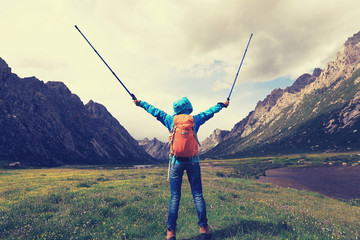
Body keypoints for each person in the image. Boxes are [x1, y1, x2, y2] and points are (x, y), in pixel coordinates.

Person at [134, 97, 229, 240]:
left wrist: (140, 103)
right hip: (193, 161)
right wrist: (222, 105)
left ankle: (171, 233)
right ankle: (204, 230)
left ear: (176, 109)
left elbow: (155, 111)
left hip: (175, 162)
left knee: (175, 197)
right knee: (197, 195)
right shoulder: (194, 120)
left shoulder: (170, 120)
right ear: (188, 107)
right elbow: (209, 112)